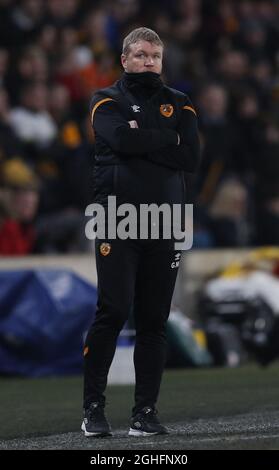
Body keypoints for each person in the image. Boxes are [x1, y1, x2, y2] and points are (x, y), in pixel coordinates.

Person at [82, 27, 200, 438]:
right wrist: (166, 139)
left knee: (154, 320)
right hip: (117, 217)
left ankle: (144, 413)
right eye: (142, 55)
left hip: (165, 221)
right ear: (125, 59)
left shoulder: (180, 102)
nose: (149, 62)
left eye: (155, 56)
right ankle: (93, 408)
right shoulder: (106, 100)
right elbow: (118, 139)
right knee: (112, 311)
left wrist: (142, 140)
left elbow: (191, 156)